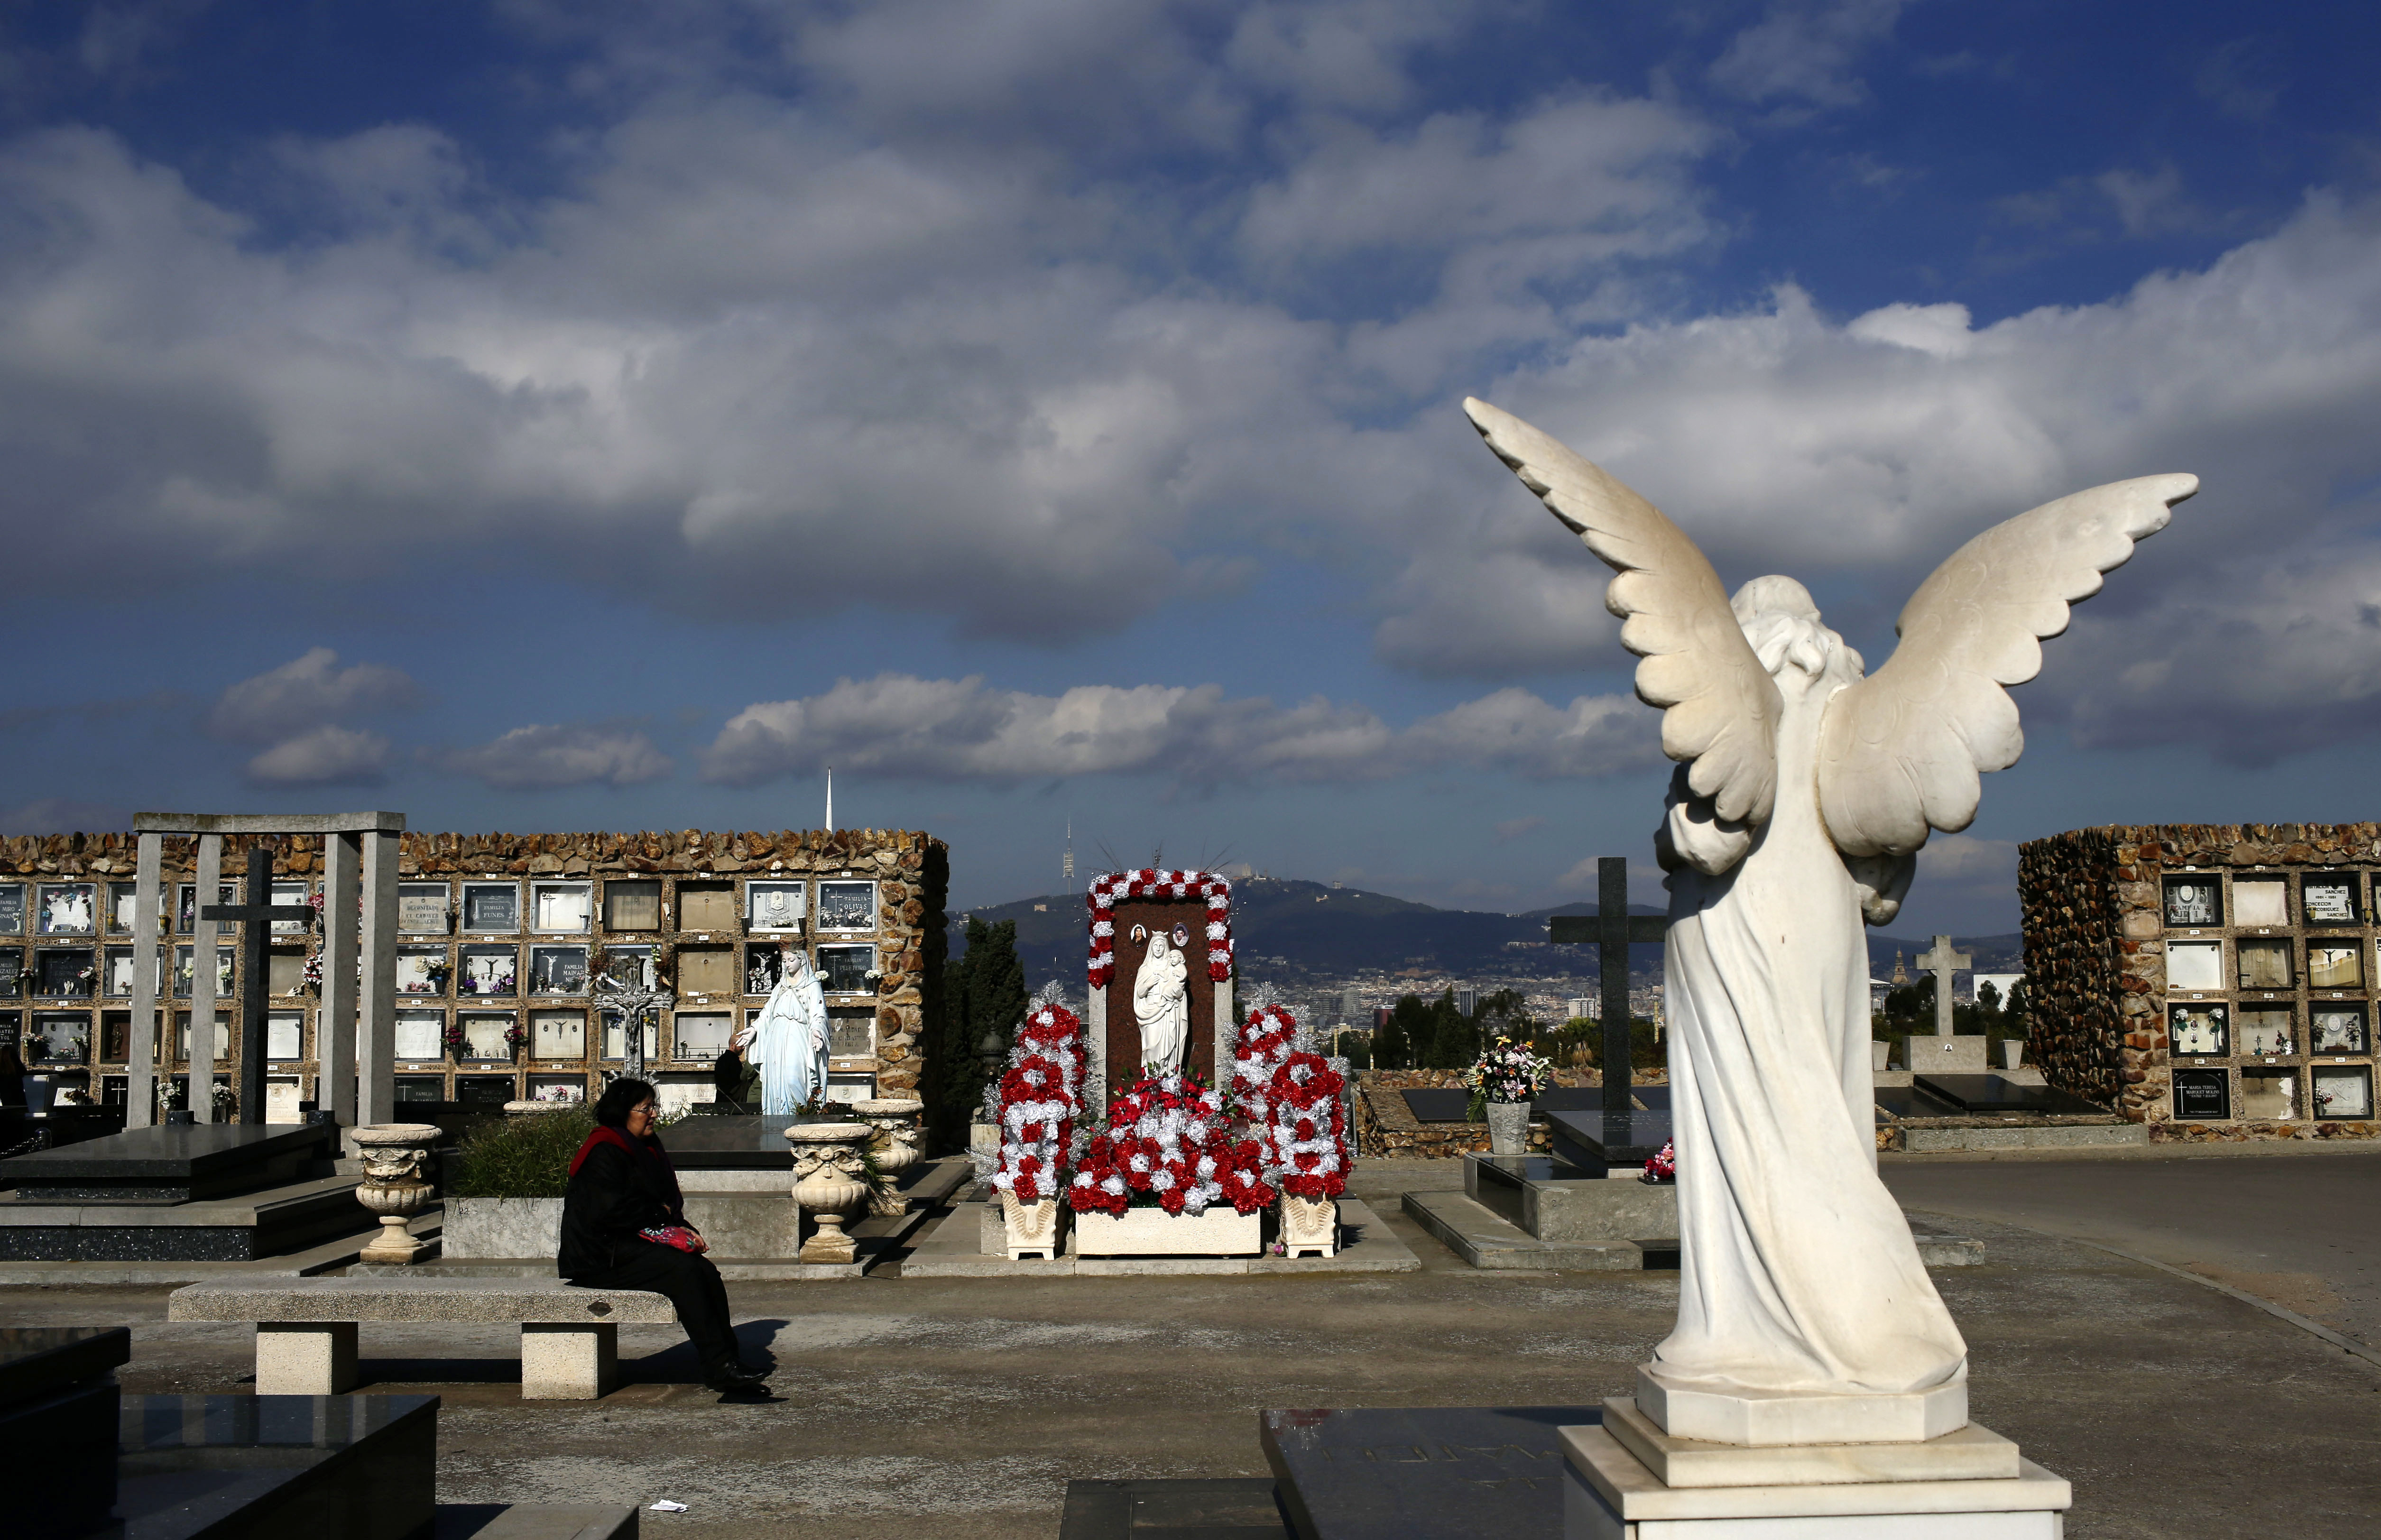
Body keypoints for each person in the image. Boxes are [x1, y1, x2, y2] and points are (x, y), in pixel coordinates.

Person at [559, 1078, 767, 1392]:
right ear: (622, 1112)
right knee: (683, 1271)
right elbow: (612, 1212)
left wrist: (680, 1227)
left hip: (626, 1243)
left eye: (654, 1106)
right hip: (599, 1253)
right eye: (646, 1108)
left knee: (705, 1271)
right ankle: (719, 1366)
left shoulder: (645, 1147)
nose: (654, 1113)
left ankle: (728, 1361)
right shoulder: (605, 1150)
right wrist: (664, 1216)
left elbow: (662, 1203)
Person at [744, 946, 827, 1115]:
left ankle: (798, 1118)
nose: (787, 964)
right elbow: (768, 1013)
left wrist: (817, 1031)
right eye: (784, 961)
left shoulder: (812, 986)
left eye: (791, 960)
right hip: (777, 1036)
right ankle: (777, 1121)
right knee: (776, 1080)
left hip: (798, 1035)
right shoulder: (780, 986)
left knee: (793, 1079)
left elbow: (819, 1013)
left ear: (801, 961)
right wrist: (754, 1028)